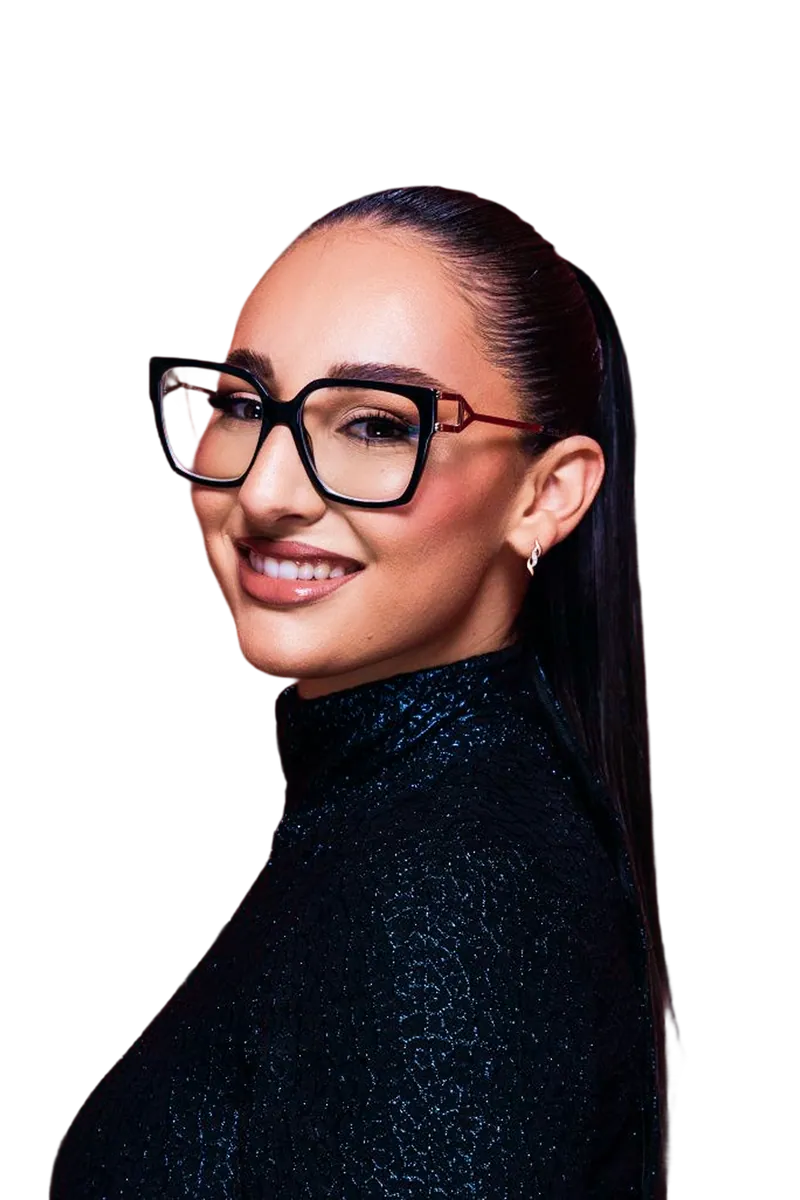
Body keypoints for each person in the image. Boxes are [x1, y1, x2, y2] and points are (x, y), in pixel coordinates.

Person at [49, 185, 679, 1197]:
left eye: (376, 426)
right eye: (241, 406)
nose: (263, 493)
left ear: (544, 493)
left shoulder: (451, 899)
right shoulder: (398, 824)